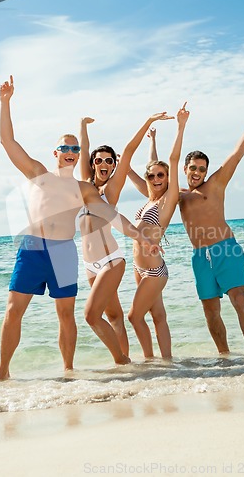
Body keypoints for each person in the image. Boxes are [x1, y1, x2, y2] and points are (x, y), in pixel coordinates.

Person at [0, 76, 158, 380]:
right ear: (55, 152)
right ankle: (2, 373)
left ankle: (68, 370)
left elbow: (109, 214)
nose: (70, 151)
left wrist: (140, 237)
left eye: (75, 147)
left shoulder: (84, 188)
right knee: (14, 310)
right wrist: (5, 103)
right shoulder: (38, 173)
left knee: (66, 315)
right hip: (32, 248)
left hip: (63, 253)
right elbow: (7, 142)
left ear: (78, 153)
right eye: (64, 146)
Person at [78, 113, 173, 364]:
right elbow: (84, 149)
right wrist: (82, 127)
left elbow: (129, 151)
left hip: (109, 257)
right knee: (114, 316)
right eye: (99, 160)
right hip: (89, 264)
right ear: (92, 163)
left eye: (110, 161)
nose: (105, 164)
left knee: (93, 315)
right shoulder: (85, 186)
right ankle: (125, 366)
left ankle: (122, 361)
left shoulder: (111, 189)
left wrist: (147, 120)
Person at [178, 96, 244, 359]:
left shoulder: (215, 185)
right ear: (185, 168)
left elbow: (236, 155)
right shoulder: (179, 195)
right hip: (200, 257)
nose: (197, 173)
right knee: (210, 310)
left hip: (226, 250)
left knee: (240, 299)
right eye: (193, 168)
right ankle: (225, 357)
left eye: (201, 169)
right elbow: (156, 178)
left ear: (207, 171)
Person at [127, 103, 190, 359]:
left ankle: (149, 361)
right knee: (158, 316)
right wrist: (152, 140)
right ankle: (167, 363)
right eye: (151, 176)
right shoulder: (150, 199)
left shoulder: (168, 200)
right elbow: (153, 164)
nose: (156, 179)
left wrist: (180, 126)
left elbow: (172, 161)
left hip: (153, 270)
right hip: (139, 268)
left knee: (134, 316)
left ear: (168, 178)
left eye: (161, 176)